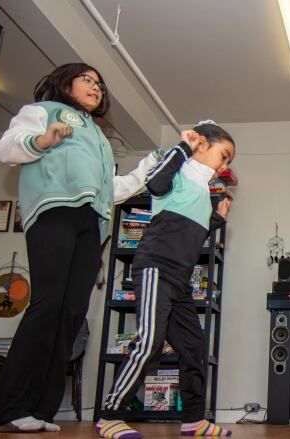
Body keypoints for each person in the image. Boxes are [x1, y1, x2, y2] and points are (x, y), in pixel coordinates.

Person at [0, 63, 161, 432]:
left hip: (92, 222)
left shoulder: (99, 137)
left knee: (71, 312)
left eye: (99, 84)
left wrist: (148, 167)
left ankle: (41, 410)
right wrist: (43, 141)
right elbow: (6, 149)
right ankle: (12, 407)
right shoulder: (44, 112)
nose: (96, 87)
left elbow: (111, 189)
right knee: (48, 304)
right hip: (55, 212)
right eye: (88, 79)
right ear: (64, 81)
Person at [96, 121, 234, 439]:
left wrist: (218, 218)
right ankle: (110, 416)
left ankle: (193, 420)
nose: (224, 166)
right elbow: (155, 185)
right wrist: (184, 145)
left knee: (194, 346)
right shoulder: (177, 174)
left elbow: (193, 231)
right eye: (223, 155)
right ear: (201, 144)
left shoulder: (200, 190)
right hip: (156, 268)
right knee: (149, 343)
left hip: (180, 279)